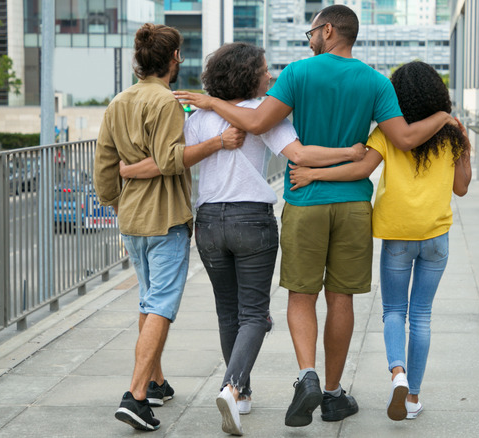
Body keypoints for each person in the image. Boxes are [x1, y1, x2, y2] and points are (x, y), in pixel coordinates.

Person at [174, 5, 458, 428]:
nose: (309, 39)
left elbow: (255, 121)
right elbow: (403, 137)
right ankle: (331, 392)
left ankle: (306, 373)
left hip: (304, 200)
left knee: (301, 295)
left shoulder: (297, 74)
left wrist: (211, 100)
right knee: (340, 297)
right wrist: (442, 115)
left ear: (328, 30)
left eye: (311, 32)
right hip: (353, 206)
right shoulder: (377, 82)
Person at [119, 41, 367, 436]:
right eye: (265, 69)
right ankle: (232, 388)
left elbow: (172, 157)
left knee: (227, 311)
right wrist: (351, 154)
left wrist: (128, 170)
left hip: (209, 223)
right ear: (249, 74)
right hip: (252, 220)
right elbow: (300, 156)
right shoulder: (262, 114)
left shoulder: (197, 115)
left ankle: (243, 392)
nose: (270, 76)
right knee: (255, 314)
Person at [288, 61, 472, 421]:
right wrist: (464, 145)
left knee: (393, 312)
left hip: (398, 236)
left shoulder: (388, 134)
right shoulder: (452, 135)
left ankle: (397, 372)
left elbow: (359, 169)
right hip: (436, 237)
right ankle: (413, 396)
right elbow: (461, 188)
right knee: (421, 316)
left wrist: (312, 173)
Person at [93, 23, 245, 432]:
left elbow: (105, 165)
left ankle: (156, 383)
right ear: (173, 59)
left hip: (132, 220)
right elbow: (169, 159)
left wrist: (115, 199)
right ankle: (136, 395)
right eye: (179, 54)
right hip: (165, 219)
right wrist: (217, 143)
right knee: (161, 304)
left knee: (148, 300)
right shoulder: (166, 103)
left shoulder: (119, 101)